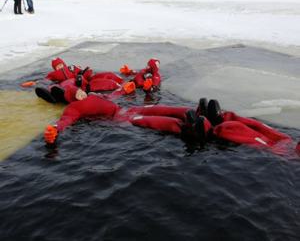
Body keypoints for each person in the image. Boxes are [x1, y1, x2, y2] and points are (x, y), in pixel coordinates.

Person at [43, 95, 296, 157]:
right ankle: (194, 128)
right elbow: (69, 117)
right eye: (70, 92)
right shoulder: (81, 104)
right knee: (157, 120)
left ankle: (205, 117)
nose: (76, 91)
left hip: (129, 109)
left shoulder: (95, 95)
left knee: (166, 110)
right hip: (124, 120)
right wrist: (57, 128)